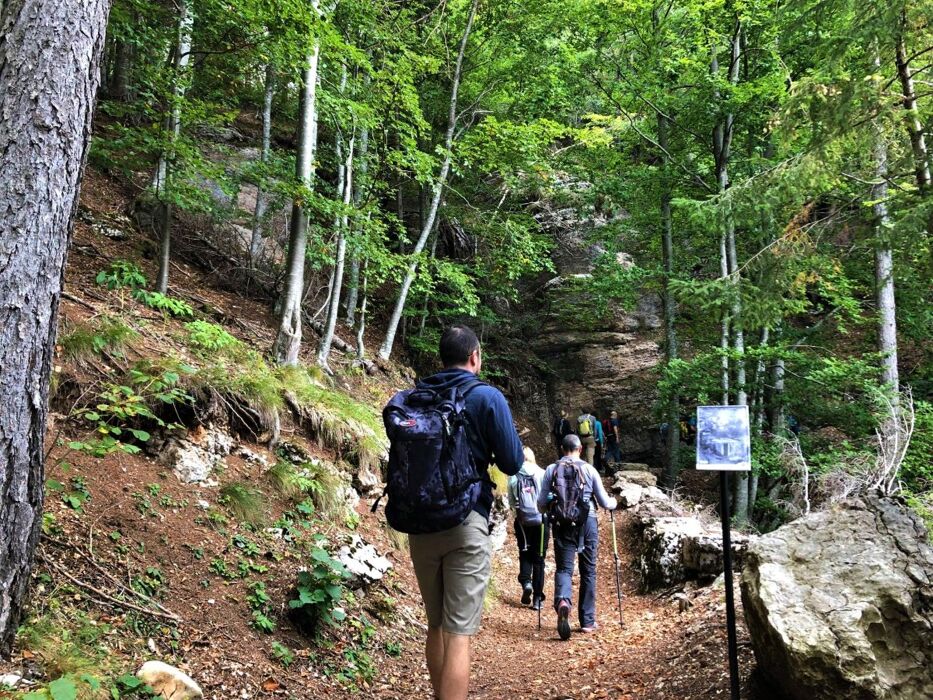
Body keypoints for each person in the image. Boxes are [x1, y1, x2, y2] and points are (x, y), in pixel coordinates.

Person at [399, 325, 524, 700]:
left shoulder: (416, 397)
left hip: (420, 522)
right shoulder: (486, 397)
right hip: (466, 522)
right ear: (475, 356)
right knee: (458, 634)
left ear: (442, 357)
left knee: (435, 625)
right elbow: (513, 462)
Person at [538, 434, 617, 640]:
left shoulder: (551, 470)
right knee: (588, 570)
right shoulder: (589, 470)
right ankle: (587, 621)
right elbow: (604, 501)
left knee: (564, 568)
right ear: (580, 449)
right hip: (587, 522)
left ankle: (563, 601)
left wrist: (551, 505)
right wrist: (614, 503)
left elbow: (540, 504)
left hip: (561, 524)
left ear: (562, 449)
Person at [507, 446, 549, 611]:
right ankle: (538, 599)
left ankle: (526, 582)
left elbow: (511, 502)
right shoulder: (542, 473)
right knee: (539, 558)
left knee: (524, 552)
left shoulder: (513, 475)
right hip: (541, 520)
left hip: (523, 521)